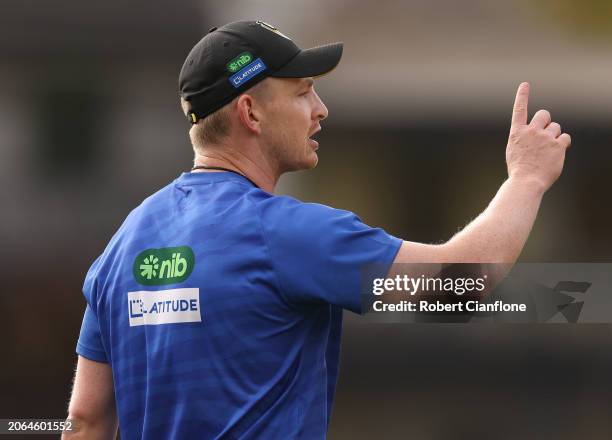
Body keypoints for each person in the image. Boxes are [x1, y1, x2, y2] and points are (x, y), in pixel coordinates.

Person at [63, 20, 571, 439]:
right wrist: (526, 180)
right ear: (250, 111)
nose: (320, 109)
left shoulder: (123, 246)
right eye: (304, 92)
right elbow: (458, 283)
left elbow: (86, 421)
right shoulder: (283, 234)